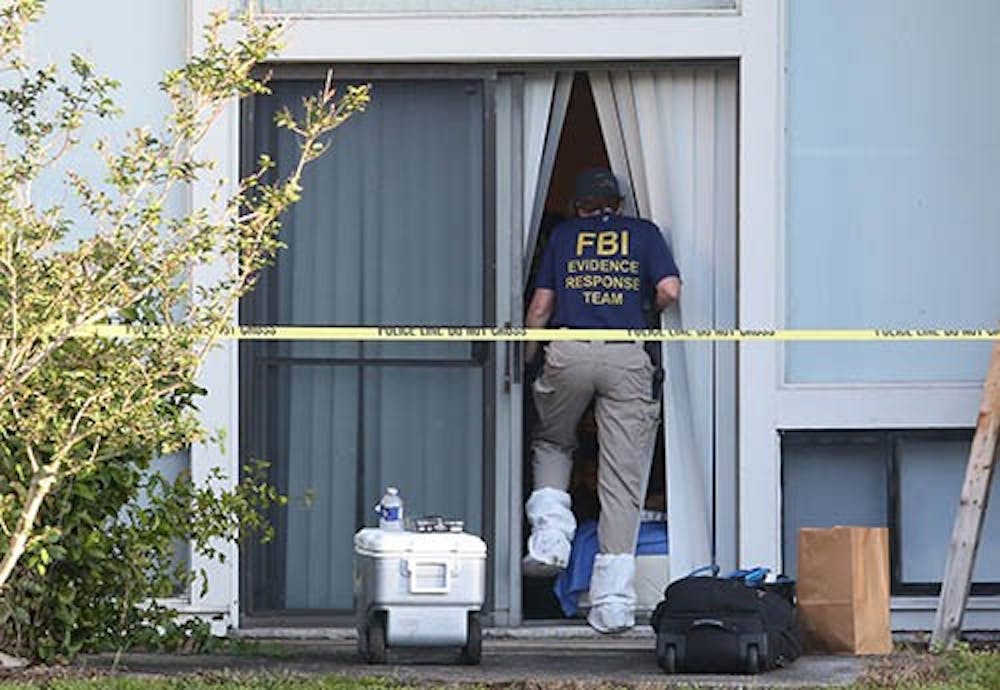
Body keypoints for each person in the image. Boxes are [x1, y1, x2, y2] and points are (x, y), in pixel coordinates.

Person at [522, 167, 681, 634]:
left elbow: (540, 308)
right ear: (619, 205)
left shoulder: (565, 237)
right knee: (622, 475)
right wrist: (649, 310)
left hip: (569, 351)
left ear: (578, 206)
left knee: (553, 439)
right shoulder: (644, 234)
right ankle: (611, 601)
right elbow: (670, 289)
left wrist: (526, 360)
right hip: (626, 354)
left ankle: (551, 535)